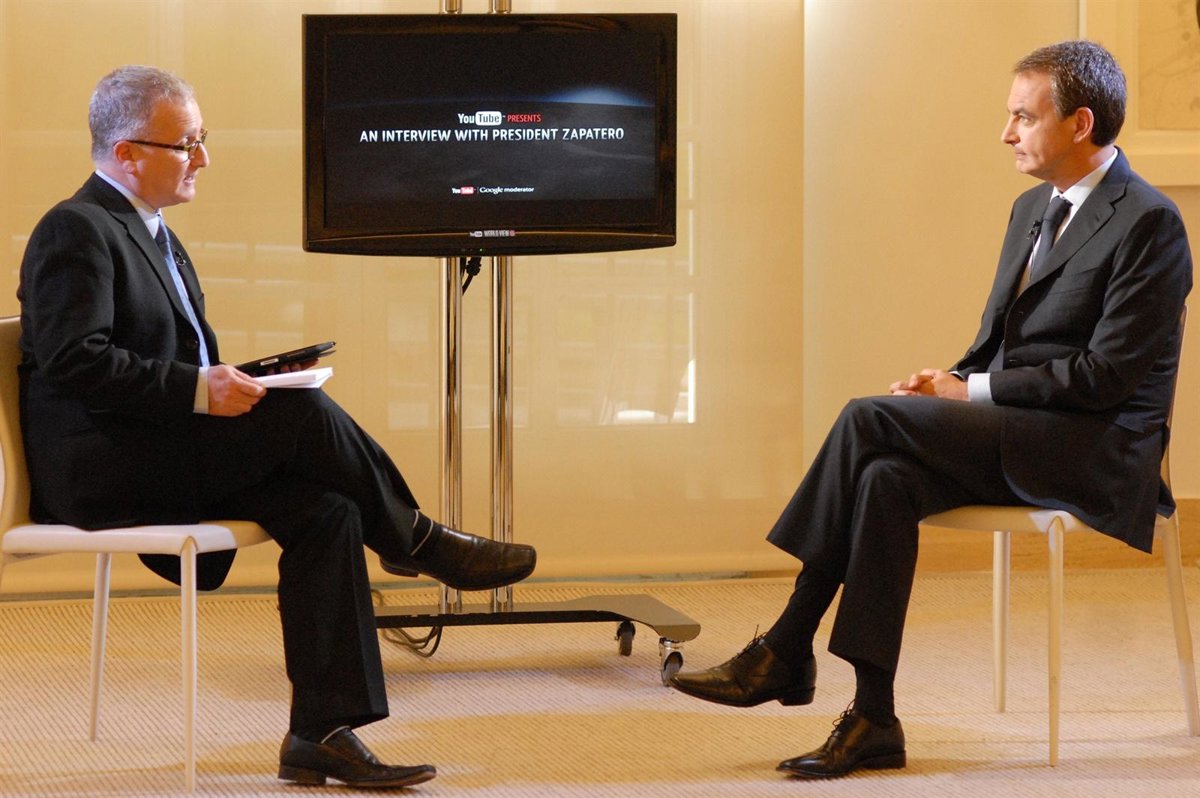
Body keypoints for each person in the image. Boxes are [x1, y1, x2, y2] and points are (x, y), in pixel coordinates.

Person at [669, 40, 1192, 779]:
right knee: (884, 476)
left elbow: (1105, 378)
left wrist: (969, 394)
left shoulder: (1150, 222)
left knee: (866, 418)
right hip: (1021, 429)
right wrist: (951, 378)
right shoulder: (1031, 208)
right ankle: (874, 718)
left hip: (1095, 447)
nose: (1006, 134)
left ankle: (786, 645)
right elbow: (1003, 344)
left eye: (1023, 116)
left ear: (1080, 124)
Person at [17, 65, 539, 790]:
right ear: (127, 152)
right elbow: (75, 360)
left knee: (327, 509)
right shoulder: (74, 228)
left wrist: (238, 379)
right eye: (186, 144)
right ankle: (416, 540)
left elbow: (163, 361)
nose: (203, 158)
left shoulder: (153, 231)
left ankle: (320, 734)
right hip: (105, 468)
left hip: (159, 447)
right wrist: (200, 389)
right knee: (302, 414)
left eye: (202, 139)